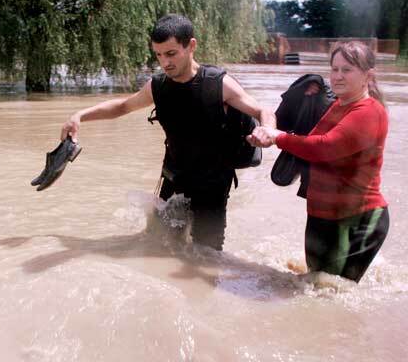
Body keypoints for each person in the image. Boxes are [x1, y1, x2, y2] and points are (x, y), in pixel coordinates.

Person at [61, 14, 276, 250]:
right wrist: (80, 115)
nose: (165, 62)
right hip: (173, 179)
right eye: (159, 55)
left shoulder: (218, 84)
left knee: (207, 257)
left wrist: (267, 130)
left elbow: (262, 110)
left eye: (171, 53)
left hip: (212, 186)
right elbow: (123, 106)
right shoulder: (158, 86)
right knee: (158, 245)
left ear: (191, 46)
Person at [249, 41, 389, 282]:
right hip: (320, 216)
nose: (338, 76)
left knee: (332, 293)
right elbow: (310, 139)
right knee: (312, 285)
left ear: (368, 75)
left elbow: (324, 148)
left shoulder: (370, 112)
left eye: (347, 70)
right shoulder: (337, 105)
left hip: (355, 220)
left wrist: (278, 138)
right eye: (334, 69)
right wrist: (310, 100)